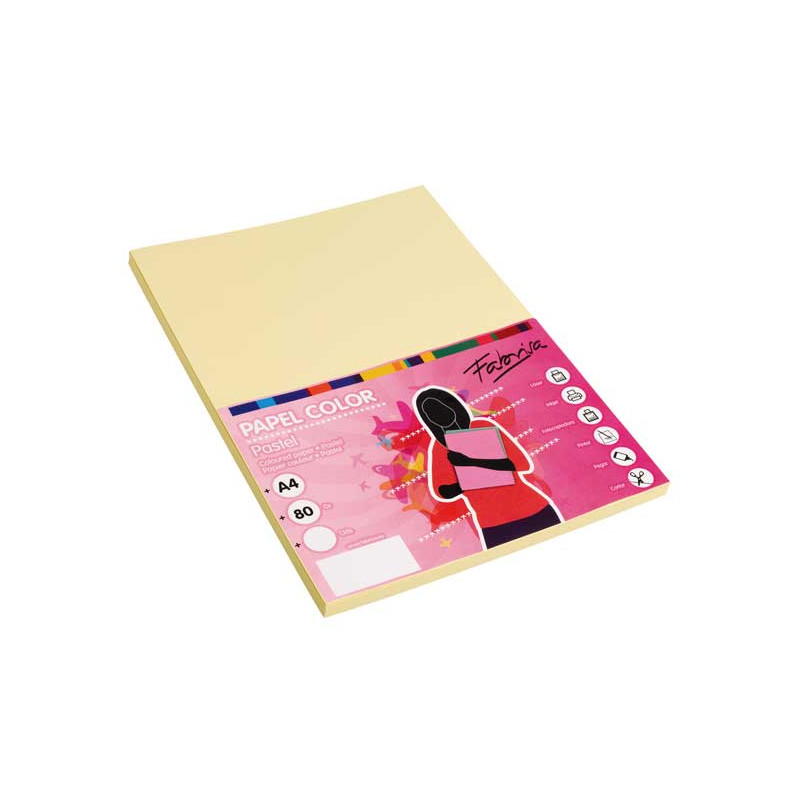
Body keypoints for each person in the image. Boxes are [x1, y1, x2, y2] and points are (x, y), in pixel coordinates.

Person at [414, 386, 562, 549]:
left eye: (441, 407)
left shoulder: (483, 426)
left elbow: (521, 464)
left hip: (532, 509)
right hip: (494, 524)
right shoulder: (440, 447)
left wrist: (470, 462)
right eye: (431, 413)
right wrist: (470, 479)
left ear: (453, 406)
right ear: (428, 420)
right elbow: (443, 491)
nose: (439, 415)